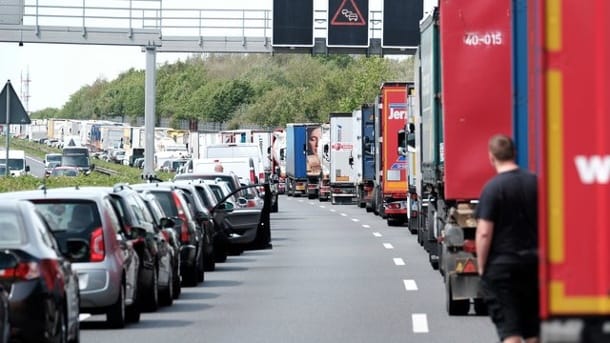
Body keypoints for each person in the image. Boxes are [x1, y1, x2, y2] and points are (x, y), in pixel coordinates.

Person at [475, 134, 539, 343]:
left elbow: (484, 232)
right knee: (532, 330)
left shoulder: (492, 189)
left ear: (491, 157)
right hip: (533, 264)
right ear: (515, 153)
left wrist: (482, 267)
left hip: (502, 268)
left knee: (510, 331)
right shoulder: (535, 183)